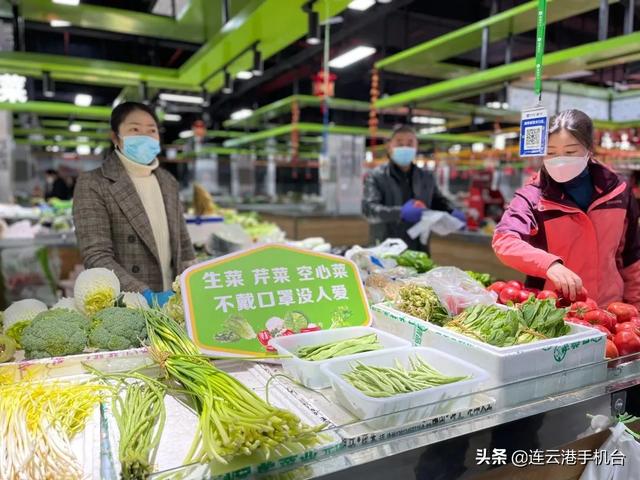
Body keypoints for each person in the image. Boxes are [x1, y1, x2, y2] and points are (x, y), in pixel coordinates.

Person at [493, 109, 640, 307]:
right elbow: (504, 241)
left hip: (609, 309)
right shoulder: (532, 196)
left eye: (570, 152)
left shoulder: (618, 192)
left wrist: (635, 308)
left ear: (589, 149)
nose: (560, 159)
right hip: (554, 310)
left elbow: (632, 256)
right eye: (551, 152)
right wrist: (548, 265)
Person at [73, 102, 195, 307]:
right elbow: (96, 256)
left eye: (152, 130)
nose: (145, 136)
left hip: (174, 300)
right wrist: (144, 295)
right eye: (135, 129)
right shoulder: (93, 183)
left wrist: (192, 279)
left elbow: (182, 241)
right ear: (115, 137)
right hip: (129, 304)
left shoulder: (167, 181)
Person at [362, 124, 465, 251]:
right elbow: (368, 209)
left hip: (419, 248)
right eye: (399, 143)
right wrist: (400, 213)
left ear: (416, 147)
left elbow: (437, 201)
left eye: (410, 143)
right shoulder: (375, 176)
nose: (405, 147)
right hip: (385, 248)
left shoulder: (426, 177)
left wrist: (451, 210)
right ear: (389, 147)